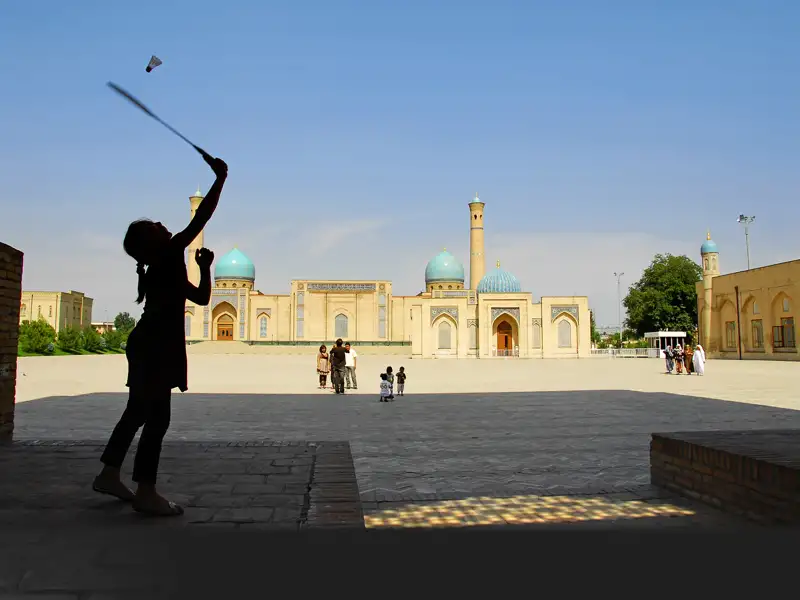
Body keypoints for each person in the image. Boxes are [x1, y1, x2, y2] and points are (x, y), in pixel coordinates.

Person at [92, 153, 228, 518]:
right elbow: (201, 218)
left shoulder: (162, 267)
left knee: (137, 412)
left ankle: (108, 473)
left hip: (149, 343)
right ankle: (146, 491)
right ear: (152, 243)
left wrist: (204, 269)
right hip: (156, 346)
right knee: (157, 419)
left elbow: (200, 298)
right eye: (155, 226)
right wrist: (221, 178)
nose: (163, 224)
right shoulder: (167, 255)